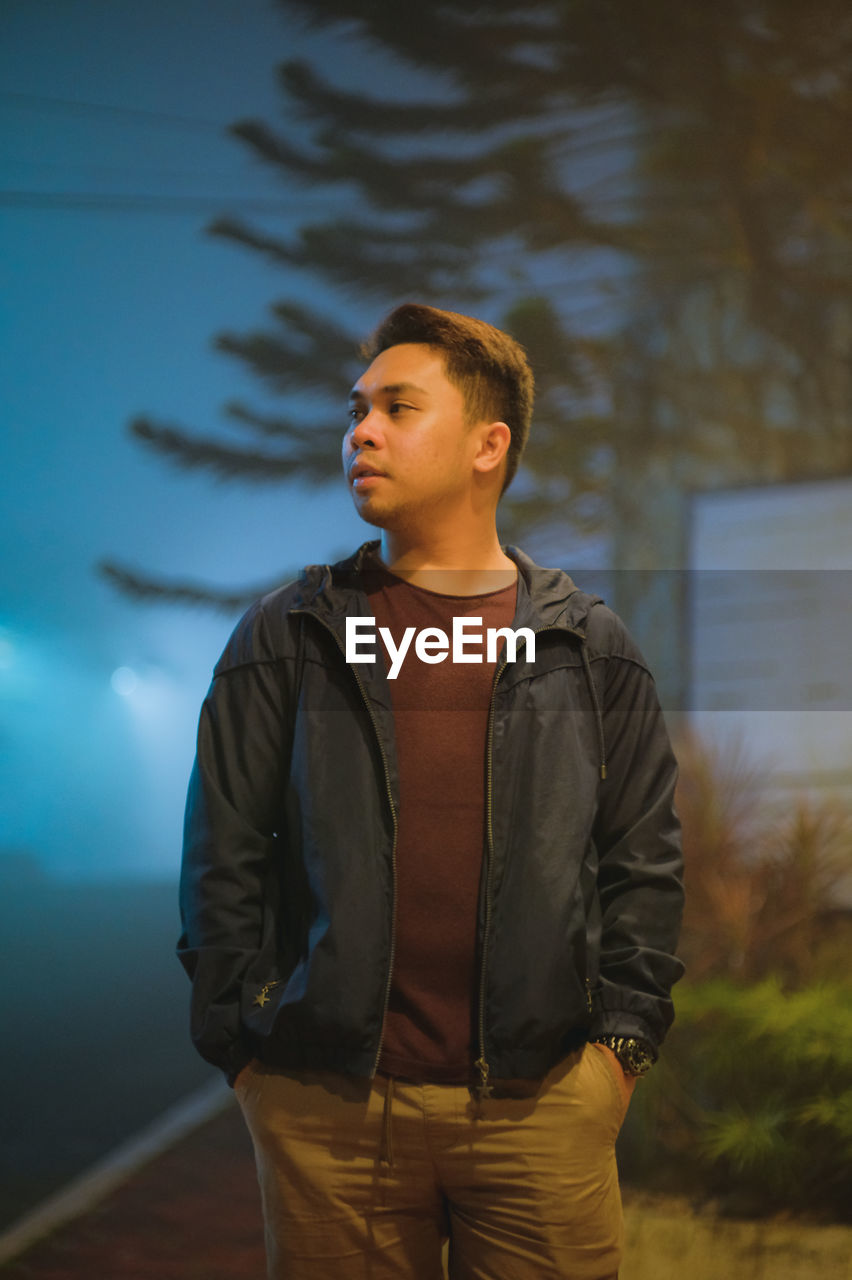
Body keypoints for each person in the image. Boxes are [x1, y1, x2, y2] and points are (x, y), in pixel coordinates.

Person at [177, 303, 685, 1280]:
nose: (360, 431)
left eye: (398, 407)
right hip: (329, 1113)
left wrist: (618, 1051)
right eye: (357, 409)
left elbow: (643, 862)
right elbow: (222, 851)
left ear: (488, 443)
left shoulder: (589, 646)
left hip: (542, 1108)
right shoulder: (288, 637)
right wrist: (245, 1051)